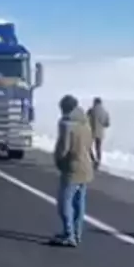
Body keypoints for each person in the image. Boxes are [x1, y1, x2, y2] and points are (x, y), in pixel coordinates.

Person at [51, 94, 95, 248]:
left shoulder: (66, 124)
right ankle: (77, 233)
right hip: (86, 167)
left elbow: (64, 148)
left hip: (72, 168)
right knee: (79, 202)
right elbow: (90, 144)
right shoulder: (85, 121)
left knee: (64, 203)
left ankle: (69, 234)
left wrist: (58, 161)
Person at [86, 97, 110, 168]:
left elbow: (85, 119)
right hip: (100, 133)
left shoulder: (91, 110)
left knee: (88, 147)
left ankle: (93, 160)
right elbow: (107, 124)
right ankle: (98, 162)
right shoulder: (105, 112)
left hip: (91, 132)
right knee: (98, 148)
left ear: (95, 102)